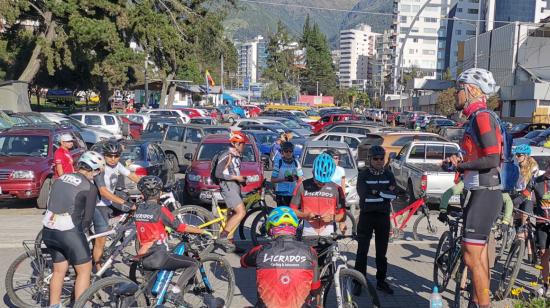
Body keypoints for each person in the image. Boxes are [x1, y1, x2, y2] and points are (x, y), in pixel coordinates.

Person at [447, 68, 501, 308]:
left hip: (485, 192)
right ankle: (476, 302)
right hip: (480, 191)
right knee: (477, 257)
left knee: (471, 255)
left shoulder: (482, 117)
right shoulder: (475, 118)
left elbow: (492, 159)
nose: (456, 94)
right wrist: (459, 165)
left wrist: (462, 164)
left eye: (458, 89)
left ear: (470, 89)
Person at [134, 176, 212, 306]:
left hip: (144, 258)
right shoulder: (160, 209)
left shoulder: (139, 209)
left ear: (142, 193)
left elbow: (149, 227)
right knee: (194, 264)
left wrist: (164, 230)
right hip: (160, 256)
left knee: (153, 298)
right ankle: (175, 293)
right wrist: (202, 231)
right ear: (159, 193)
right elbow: (180, 226)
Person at [41, 151, 105, 307]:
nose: (96, 176)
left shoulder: (60, 178)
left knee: (59, 271)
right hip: (68, 231)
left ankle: (54, 305)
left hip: (48, 229)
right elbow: (87, 219)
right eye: (97, 172)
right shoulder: (89, 187)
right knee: (84, 271)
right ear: (94, 169)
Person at [241, 206, 320, 308]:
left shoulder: (259, 251)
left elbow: (243, 261)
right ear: (294, 229)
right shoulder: (310, 251)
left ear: (270, 229)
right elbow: (315, 288)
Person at [354, 145, 396, 295]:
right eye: (376, 159)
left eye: (381, 159)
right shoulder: (363, 174)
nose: (379, 161)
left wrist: (376, 192)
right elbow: (364, 193)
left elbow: (393, 193)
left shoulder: (388, 174)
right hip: (367, 216)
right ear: (370, 159)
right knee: (362, 251)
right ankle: (358, 281)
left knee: (381, 253)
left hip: (383, 217)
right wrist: (382, 193)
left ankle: (381, 281)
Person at [92, 140, 140, 271]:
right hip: (98, 204)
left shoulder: (117, 165)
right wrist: (124, 203)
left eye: (116, 156)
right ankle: (97, 269)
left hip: (109, 202)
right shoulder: (100, 168)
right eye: (109, 156)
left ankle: (118, 236)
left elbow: (132, 175)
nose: (113, 159)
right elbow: (103, 192)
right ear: (104, 155)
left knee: (132, 211)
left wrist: (149, 186)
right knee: (101, 240)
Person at [214, 131, 248, 252]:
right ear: (235, 143)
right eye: (243, 144)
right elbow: (218, 173)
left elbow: (233, 171)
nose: (244, 146)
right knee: (241, 212)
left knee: (233, 215)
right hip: (228, 186)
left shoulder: (236, 155)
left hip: (234, 186)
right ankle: (223, 237)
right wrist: (236, 178)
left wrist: (242, 180)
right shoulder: (226, 153)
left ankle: (230, 243)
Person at [511, 144, 539, 230]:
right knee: (511, 213)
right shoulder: (515, 164)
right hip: (516, 192)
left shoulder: (534, 167)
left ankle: (523, 232)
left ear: (526, 156)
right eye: (516, 154)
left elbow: (531, 185)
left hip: (528, 194)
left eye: (519, 155)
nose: (516, 157)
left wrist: (521, 197)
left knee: (524, 215)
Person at [533, 161, 550, 297]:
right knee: (543, 254)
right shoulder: (538, 181)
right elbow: (524, 195)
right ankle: (545, 285)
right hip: (541, 222)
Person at [271, 142, 303, 207]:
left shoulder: (296, 163)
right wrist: (285, 179)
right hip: (281, 194)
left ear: (292, 152)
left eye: (290, 151)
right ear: (283, 152)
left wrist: (296, 178)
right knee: (283, 216)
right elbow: (272, 179)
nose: (288, 153)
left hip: (294, 194)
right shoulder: (279, 162)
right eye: (286, 151)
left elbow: (301, 178)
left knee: (293, 215)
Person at [325, 149, 347, 234]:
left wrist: (343, 197)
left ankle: (343, 236)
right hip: (327, 196)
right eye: (335, 158)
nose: (337, 160)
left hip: (338, 196)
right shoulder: (325, 170)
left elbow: (343, 185)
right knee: (329, 218)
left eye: (338, 158)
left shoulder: (341, 170)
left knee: (341, 218)